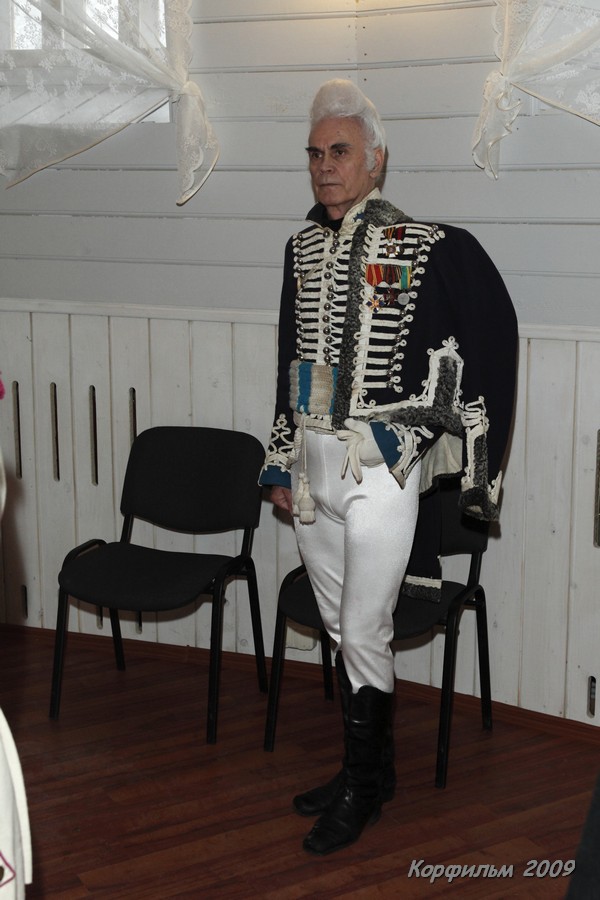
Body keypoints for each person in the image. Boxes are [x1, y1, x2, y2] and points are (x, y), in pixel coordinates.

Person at [259, 79, 518, 856]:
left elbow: (476, 342)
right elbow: (297, 360)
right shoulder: (302, 250)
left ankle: (362, 790)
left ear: (375, 159)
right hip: (315, 471)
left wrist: (435, 440)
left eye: (339, 152)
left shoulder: (426, 246)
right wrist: (283, 459)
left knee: (366, 625)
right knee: (343, 627)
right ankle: (369, 772)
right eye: (315, 153)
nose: (324, 166)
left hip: (378, 473)